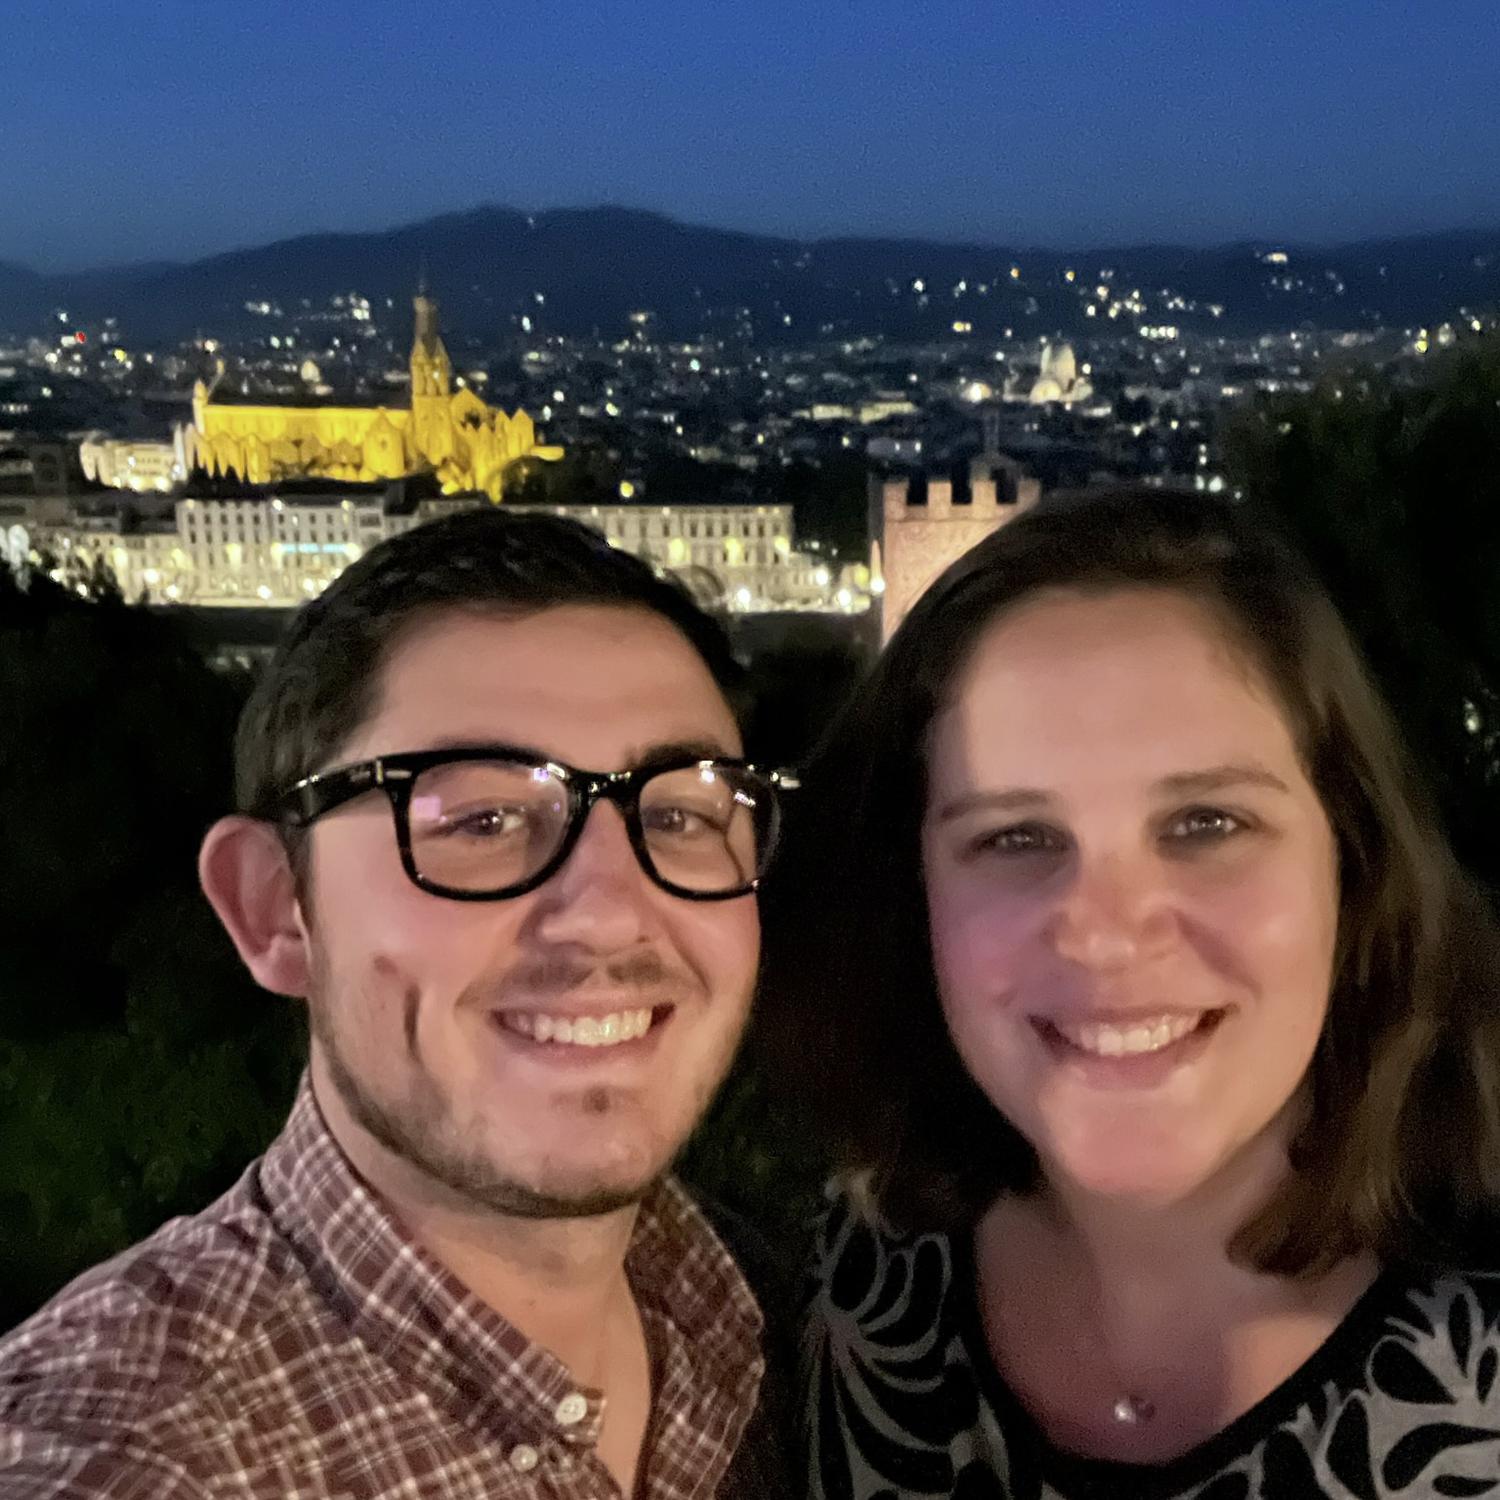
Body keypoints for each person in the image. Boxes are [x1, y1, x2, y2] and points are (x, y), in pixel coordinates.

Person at [0, 508, 799, 1497]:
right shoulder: (136, 1456)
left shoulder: (758, 1316)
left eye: (678, 813)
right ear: (275, 910)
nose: (605, 914)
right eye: (484, 818)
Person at [779, 489, 1500, 1497]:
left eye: (1206, 823)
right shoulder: (856, 1281)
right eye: (1014, 838)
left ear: (1353, 856)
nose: (1108, 931)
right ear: (913, 892)